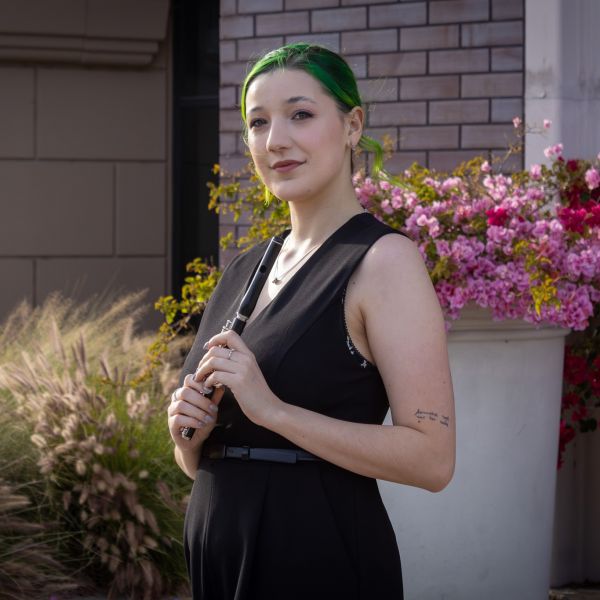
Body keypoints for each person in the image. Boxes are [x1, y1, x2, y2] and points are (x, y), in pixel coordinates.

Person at [167, 42, 455, 600]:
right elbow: (208, 459)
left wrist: (272, 410)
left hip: (315, 556)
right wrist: (189, 435)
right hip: (219, 556)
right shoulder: (244, 269)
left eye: (300, 114)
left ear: (352, 126)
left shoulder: (383, 261)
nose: (275, 140)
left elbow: (433, 458)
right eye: (258, 122)